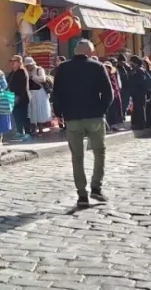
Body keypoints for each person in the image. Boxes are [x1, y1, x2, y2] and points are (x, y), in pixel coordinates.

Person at [52, 40, 113, 209]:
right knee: (99, 152)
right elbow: (109, 94)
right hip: (94, 117)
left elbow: (56, 93)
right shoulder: (97, 66)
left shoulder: (63, 68)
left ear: (75, 51)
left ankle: (82, 195)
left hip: (73, 118)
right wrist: (101, 110)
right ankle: (96, 187)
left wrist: (60, 114)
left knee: (77, 158)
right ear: (91, 52)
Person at [6, 55, 31, 140]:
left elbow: (23, 87)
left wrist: (19, 97)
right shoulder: (12, 73)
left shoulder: (22, 71)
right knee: (16, 116)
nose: (12, 62)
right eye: (11, 61)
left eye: (15, 61)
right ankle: (19, 132)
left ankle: (27, 133)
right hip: (13, 97)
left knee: (24, 115)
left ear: (19, 62)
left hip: (22, 97)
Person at [126, 56, 151, 129]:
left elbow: (141, 82)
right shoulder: (135, 70)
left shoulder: (140, 70)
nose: (130, 63)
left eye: (131, 61)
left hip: (140, 92)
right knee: (136, 108)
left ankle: (141, 124)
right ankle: (136, 123)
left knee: (140, 108)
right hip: (136, 93)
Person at [26, 57, 52, 134]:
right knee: (32, 111)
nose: (28, 67)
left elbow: (43, 79)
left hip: (40, 93)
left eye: (29, 65)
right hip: (31, 93)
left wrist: (33, 77)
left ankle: (40, 129)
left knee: (40, 111)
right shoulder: (27, 71)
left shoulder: (39, 70)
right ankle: (33, 129)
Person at [103, 62, 124, 130]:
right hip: (106, 96)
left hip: (114, 95)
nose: (107, 69)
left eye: (108, 68)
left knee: (114, 110)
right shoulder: (103, 76)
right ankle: (108, 126)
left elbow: (116, 85)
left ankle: (113, 125)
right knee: (108, 111)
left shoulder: (112, 76)